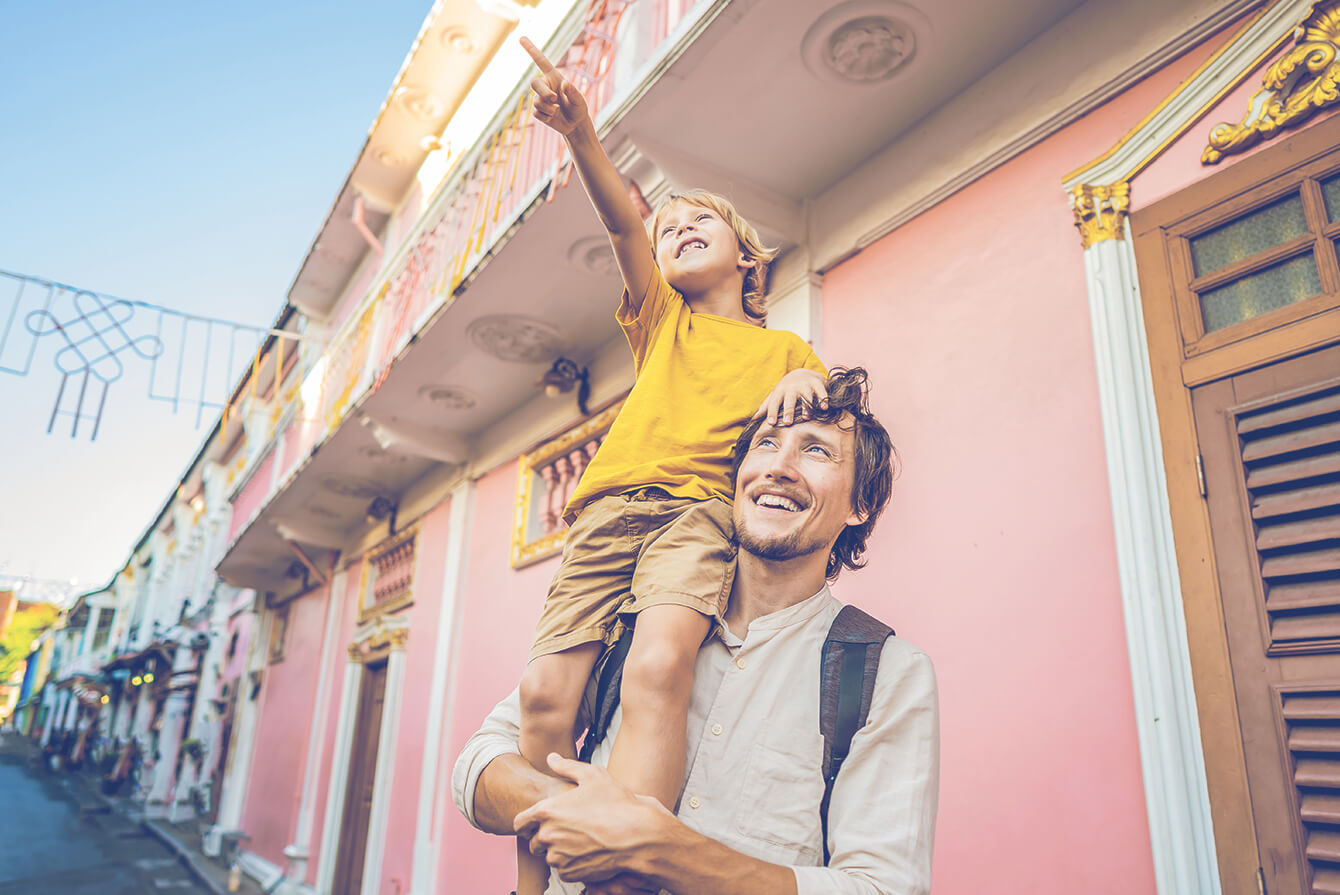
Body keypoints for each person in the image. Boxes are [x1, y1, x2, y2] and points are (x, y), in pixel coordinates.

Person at [511, 35, 831, 895]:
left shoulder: (790, 349)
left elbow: (824, 432)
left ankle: (628, 875)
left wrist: (808, 373)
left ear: (748, 256)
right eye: (669, 226)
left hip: (698, 519)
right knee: (544, 695)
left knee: (658, 668)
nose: (677, 228)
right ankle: (532, 885)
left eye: (701, 221)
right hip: (611, 511)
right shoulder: (662, 317)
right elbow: (621, 218)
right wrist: (580, 134)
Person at [453, 367, 940, 895]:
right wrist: (587, 814)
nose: (778, 467)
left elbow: (883, 888)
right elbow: (478, 766)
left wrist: (660, 850)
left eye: (816, 451)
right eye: (765, 443)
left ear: (859, 505)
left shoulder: (885, 673)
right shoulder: (638, 618)